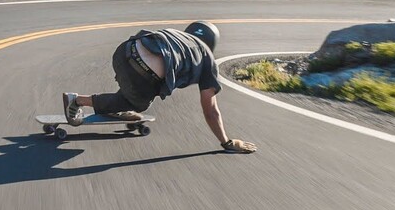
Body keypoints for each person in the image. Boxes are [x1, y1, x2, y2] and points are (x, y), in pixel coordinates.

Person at [63, 21, 257, 154]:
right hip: (142, 71)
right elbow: (211, 111)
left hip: (124, 50)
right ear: (212, 43)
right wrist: (227, 141)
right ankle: (78, 100)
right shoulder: (207, 58)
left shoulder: (178, 36)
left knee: (138, 90)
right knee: (139, 104)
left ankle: (120, 106)